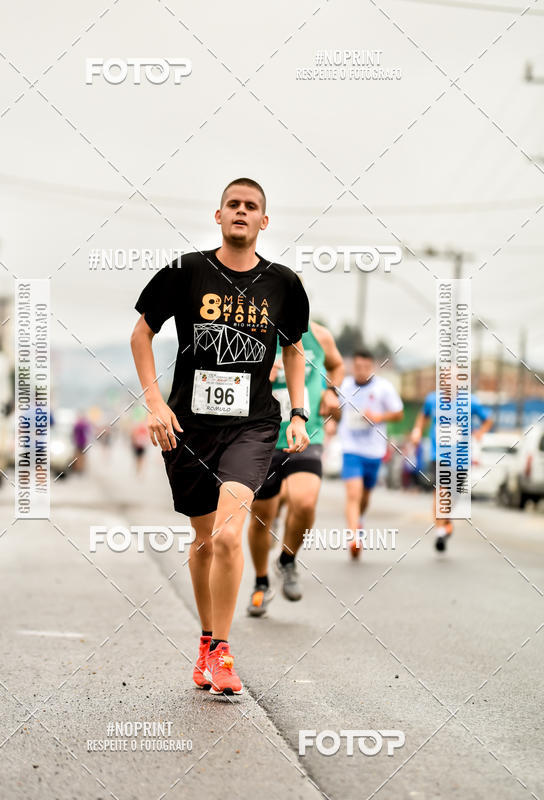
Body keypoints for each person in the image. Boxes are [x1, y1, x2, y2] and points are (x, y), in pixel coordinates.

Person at [130, 178, 310, 696]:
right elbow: (143, 331)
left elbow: (294, 348)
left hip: (253, 426)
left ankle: (224, 653)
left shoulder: (283, 283)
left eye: (251, 206)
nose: (241, 211)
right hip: (187, 426)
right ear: (218, 215)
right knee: (205, 539)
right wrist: (154, 401)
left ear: (263, 222)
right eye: (233, 204)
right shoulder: (186, 271)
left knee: (231, 534)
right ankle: (207, 643)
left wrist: (298, 412)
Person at [246, 321, 344, 616]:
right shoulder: (254, 333)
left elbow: (337, 366)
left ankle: (287, 559)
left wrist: (331, 391)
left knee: (304, 501)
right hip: (262, 437)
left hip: (306, 433)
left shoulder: (320, 335)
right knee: (262, 516)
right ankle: (261, 582)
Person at [336, 349, 404, 559]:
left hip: (374, 450)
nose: (362, 371)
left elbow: (399, 413)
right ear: (352, 367)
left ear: (372, 367)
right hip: (351, 447)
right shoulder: (344, 386)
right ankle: (354, 537)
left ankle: (360, 519)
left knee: (364, 496)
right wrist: (330, 423)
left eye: (366, 367)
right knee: (353, 493)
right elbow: (334, 411)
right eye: (358, 367)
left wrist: (378, 416)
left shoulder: (383, 387)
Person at [411, 388, 492, 551]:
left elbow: (488, 419)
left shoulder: (471, 401)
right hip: (439, 455)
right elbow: (423, 416)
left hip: (461, 458)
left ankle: (445, 521)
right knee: (441, 490)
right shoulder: (432, 399)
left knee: (453, 495)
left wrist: (480, 432)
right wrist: (417, 431)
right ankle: (440, 531)